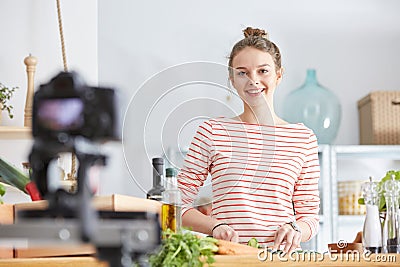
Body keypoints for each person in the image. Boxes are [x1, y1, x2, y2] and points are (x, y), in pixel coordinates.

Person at [177, 27, 320, 254]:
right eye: (242, 73)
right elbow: (176, 206)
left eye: (263, 71)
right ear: (232, 80)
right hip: (228, 257)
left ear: (279, 75)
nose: (253, 81)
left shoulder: (302, 138)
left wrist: (295, 229)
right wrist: (215, 226)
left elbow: (310, 217)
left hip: (279, 259)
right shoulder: (212, 131)